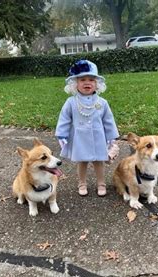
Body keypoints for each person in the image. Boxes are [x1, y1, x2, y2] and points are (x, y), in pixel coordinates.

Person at [55, 59, 119, 197]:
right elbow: (65, 118)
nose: (87, 82)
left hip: (98, 137)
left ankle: (101, 183)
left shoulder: (102, 103)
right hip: (79, 138)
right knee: (82, 162)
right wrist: (62, 134)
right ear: (75, 84)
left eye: (91, 79)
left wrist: (111, 138)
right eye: (82, 79)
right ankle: (82, 183)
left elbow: (108, 120)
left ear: (97, 84)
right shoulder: (71, 102)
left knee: (99, 162)